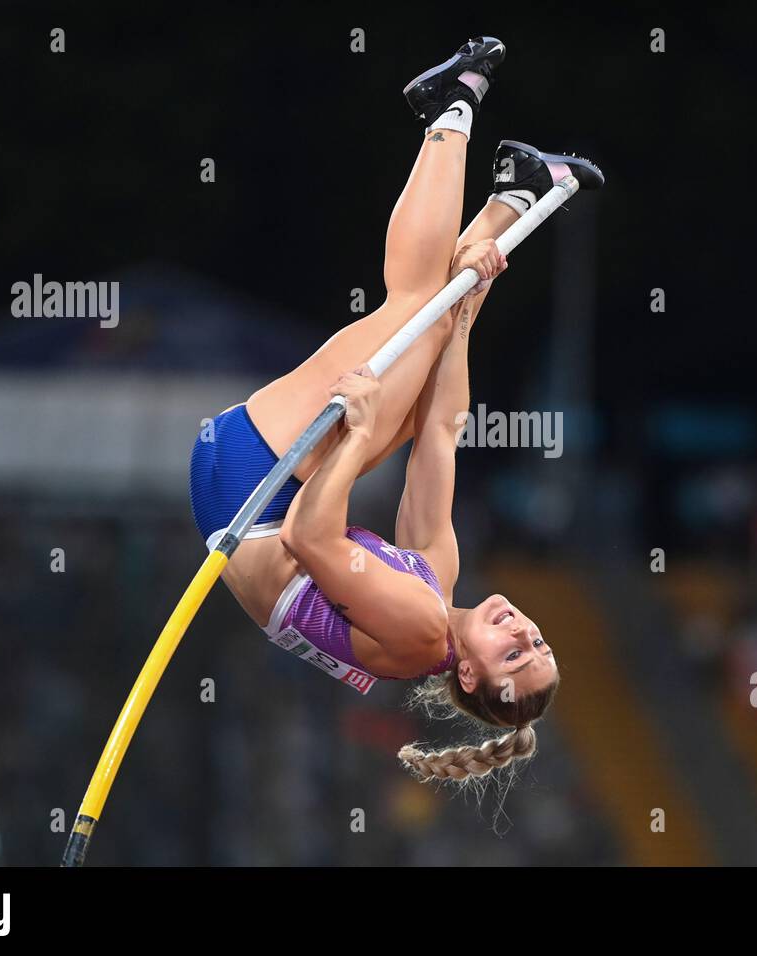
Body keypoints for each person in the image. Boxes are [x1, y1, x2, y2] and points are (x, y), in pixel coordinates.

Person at [188, 37, 603, 781]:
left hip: (255, 492)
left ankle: (450, 106)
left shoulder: (417, 633)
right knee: (436, 330)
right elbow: (441, 431)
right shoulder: (433, 580)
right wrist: (468, 312)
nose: (522, 630)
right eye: (539, 642)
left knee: (412, 306)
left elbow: (316, 539)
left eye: (513, 652)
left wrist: (356, 421)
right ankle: (513, 191)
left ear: (470, 675)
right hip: (257, 491)